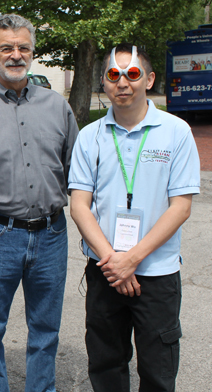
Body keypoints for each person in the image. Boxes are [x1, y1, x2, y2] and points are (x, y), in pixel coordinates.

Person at [0, 14, 78, 392]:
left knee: (45, 327)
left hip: (52, 234)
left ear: (32, 52)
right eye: (6, 47)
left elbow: (75, 173)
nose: (16, 55)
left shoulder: (58, 107)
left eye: (23, 47)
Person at [69, 43, 200, 392]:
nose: (122, 82)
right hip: (105, 272)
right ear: (103, 81)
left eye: (132, 74)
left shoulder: (176, 132)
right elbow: (79, 205)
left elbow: (181, 207)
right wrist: (115, 261)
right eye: (113, 75)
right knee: (106, 363)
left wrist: (133, 259)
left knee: (158, 370)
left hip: (156, 273)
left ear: (149, 79)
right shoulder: (89, 136)